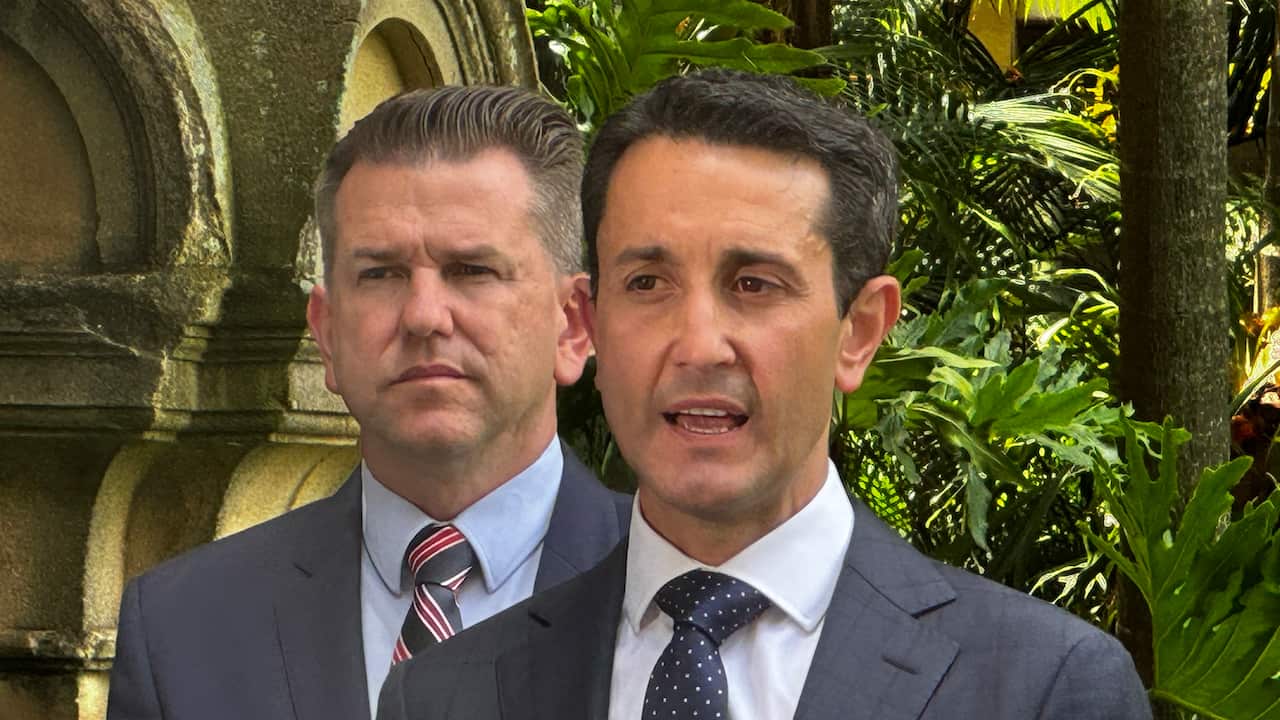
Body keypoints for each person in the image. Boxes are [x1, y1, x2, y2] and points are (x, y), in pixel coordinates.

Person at [376, 69, 1151, 720]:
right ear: (586, 321)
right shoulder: (449, 693)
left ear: (860, 330)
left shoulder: (1041, 688)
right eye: (647, 283)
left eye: (754, 284)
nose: (700, 343)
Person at [106, 85, 630, 720]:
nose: (424, 315)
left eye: (471, 270)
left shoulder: (685, 596)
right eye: (380, 273)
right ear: (326, 334)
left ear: (573, 324)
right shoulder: (183, 630)